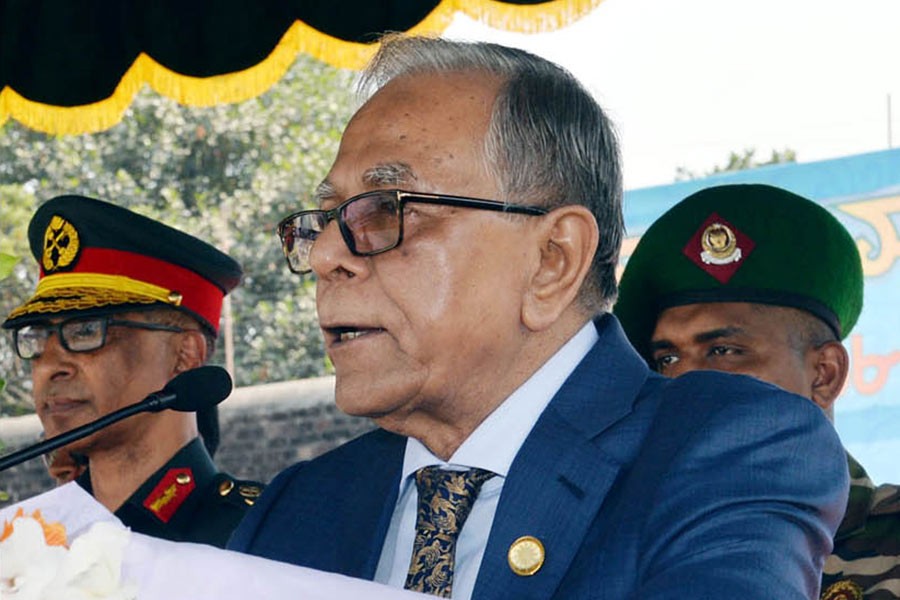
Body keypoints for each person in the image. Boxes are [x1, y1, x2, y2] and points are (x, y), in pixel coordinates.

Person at [229, 35, 848, 598]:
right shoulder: (295, 511)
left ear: (552, 261)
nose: (329, 256)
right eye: (324, 220)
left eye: (386, 210)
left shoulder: (729, 450)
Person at [614, 183, 900, 600]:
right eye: (667, 360)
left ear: (825, 373)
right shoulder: (618, 546)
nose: (683, 387)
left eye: (724, 351)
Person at [2, 194, 264, 548]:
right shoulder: (27, 543)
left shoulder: (258, 536)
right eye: (37, 337)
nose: (49, 365)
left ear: (185, 354)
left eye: (85, 331)